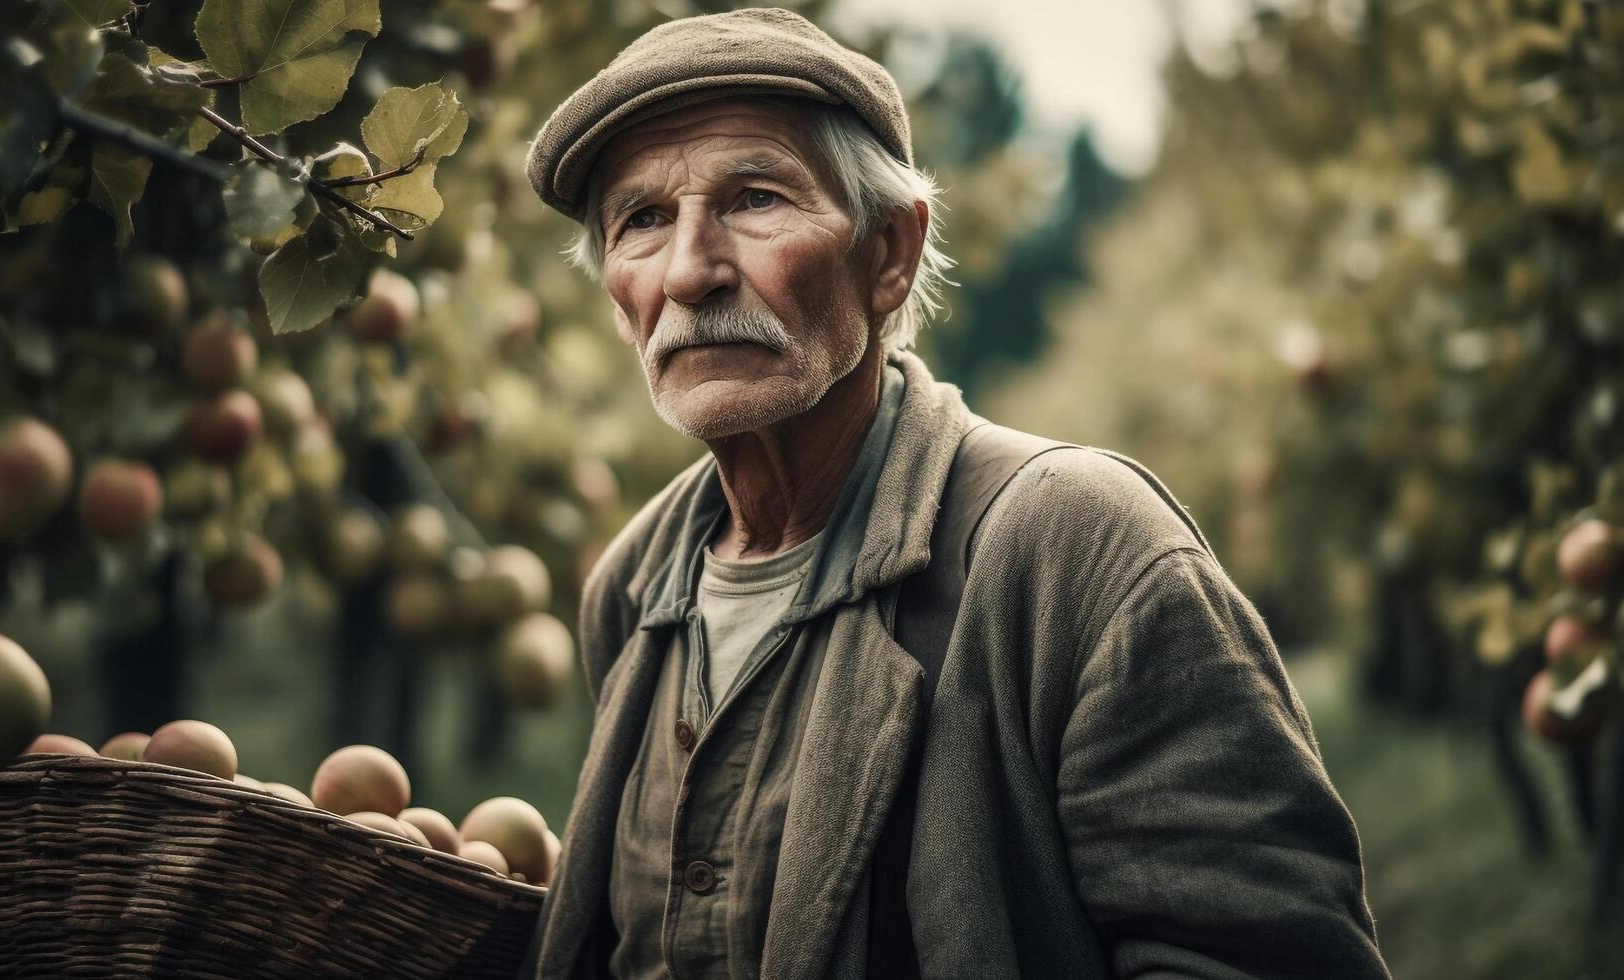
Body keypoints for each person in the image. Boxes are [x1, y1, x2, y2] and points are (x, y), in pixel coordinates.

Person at [517, 8, 1390, 978]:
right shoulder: (634, 589)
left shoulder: (1079, 548)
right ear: (613, 291)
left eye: (755, 198)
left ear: (888, 252)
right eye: (640, 220)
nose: (688, 269)